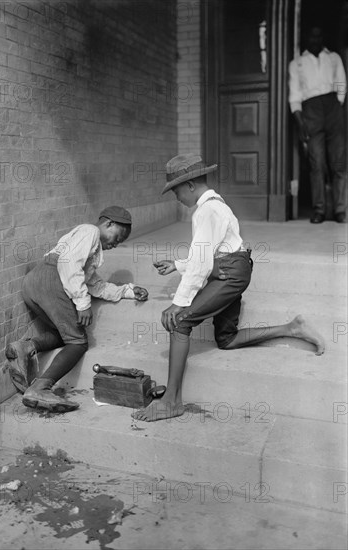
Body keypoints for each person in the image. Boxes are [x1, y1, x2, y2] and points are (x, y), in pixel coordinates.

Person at [132, 153, 325, 422]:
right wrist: (177, 265)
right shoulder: (214, 204)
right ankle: (291, 328)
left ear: (189, 185)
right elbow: (209, 252)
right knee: (227, 339)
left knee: (179, 321)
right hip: (234, 267)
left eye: (175, 190)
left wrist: (179, 302)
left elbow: (203, 260)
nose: (175, 197)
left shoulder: (206, 210)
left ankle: (171, 401)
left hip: (230, 273)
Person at [6, 206, 148, 413]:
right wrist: (83, 305)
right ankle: (40, 387)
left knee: (62, 334)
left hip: (34, 283)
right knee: (78, 343)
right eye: (118, 237)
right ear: (108, 224)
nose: (116, 243)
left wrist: (128, 291)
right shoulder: (90, 231)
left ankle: (26, 347)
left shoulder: (88, 246)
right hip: (53, 281)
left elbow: (96, 285)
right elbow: (69, 264)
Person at [288, 25, 347, 224]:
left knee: (338, 161)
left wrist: (336, 107)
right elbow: (294, 95)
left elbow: (341, 83)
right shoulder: (296, 64)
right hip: (310, 111)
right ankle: (319, 210)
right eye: (311, 36)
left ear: (322, 36)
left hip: (333, 108)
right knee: (317, 163)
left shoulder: (334, 58)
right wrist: (301, 121)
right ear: (306, 37)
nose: (315, 39)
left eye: (318, 35)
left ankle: (340, 210)